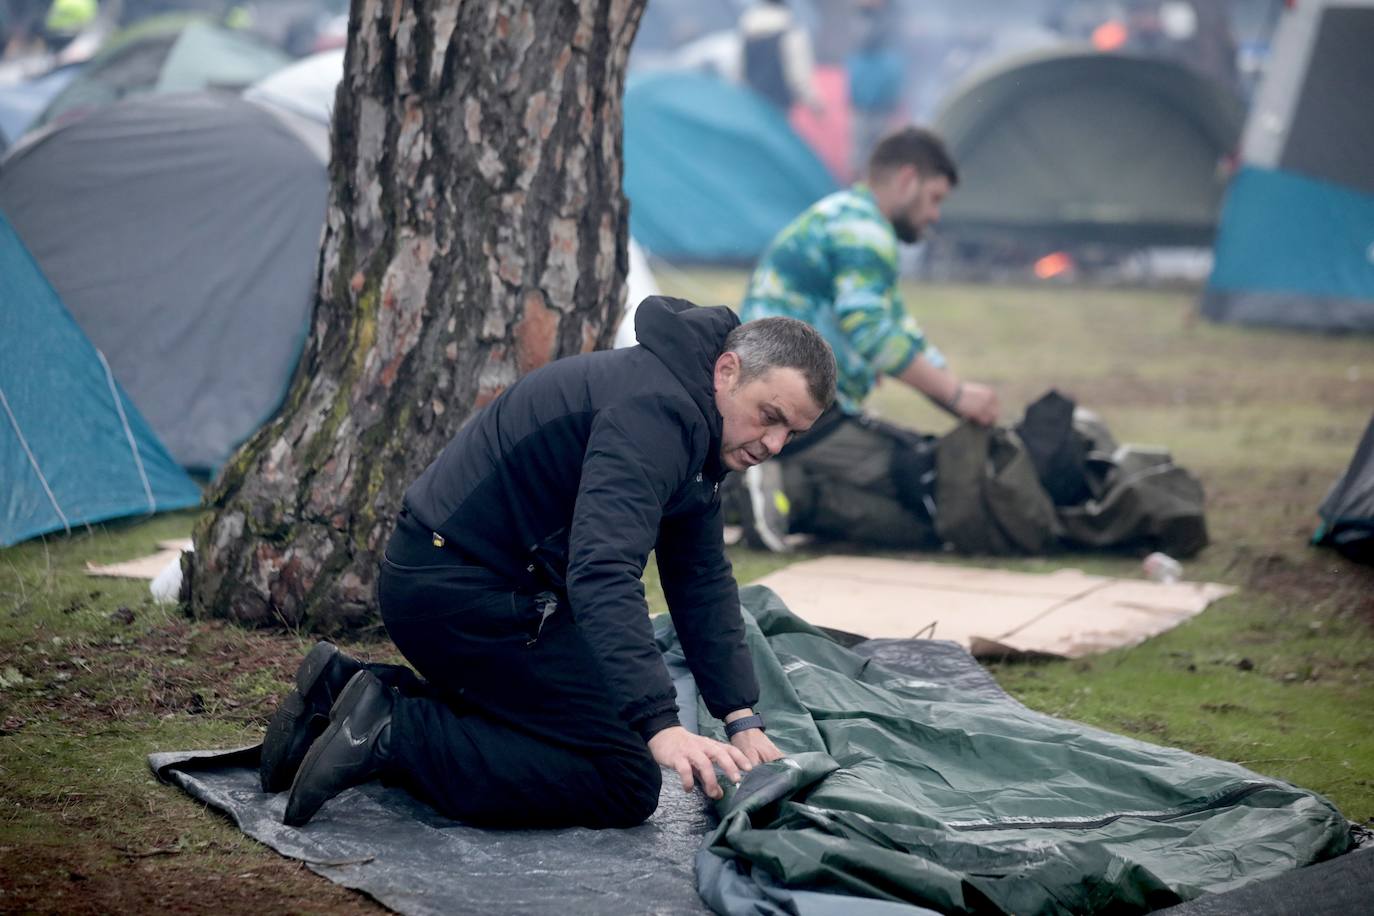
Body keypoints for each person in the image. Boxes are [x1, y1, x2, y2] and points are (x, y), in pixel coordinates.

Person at [262, 297, 836, 829]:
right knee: (622, 777)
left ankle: (345, 691)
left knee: (587, 729)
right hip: (459, 594)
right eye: (770, 416)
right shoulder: (656, 414)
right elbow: (603, 572)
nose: (774, 444)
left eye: (793, 432)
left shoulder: (693, 418)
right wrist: (660, 722)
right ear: (727, 370)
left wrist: (739, 713)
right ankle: (394, 729)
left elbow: (700, 576)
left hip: (475, 582)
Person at [734, 125, 998, 552]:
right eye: (934, 199)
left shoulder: (849, 217)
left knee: (909, 497)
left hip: (788, 401)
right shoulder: (864, 231)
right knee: (919, 477)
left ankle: (780, 488)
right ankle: (775, 484)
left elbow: (898, 329)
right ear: (907, 179)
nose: (934, 216)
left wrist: (958, 392)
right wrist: (955, 395)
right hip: (795, 407)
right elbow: (872, 331)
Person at [737, 0, 822, 115]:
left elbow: (740, 70)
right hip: (779, 106)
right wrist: (814, 103)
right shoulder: (790, 33)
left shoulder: (747, 32)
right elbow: (798, 77)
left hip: (752, 104)